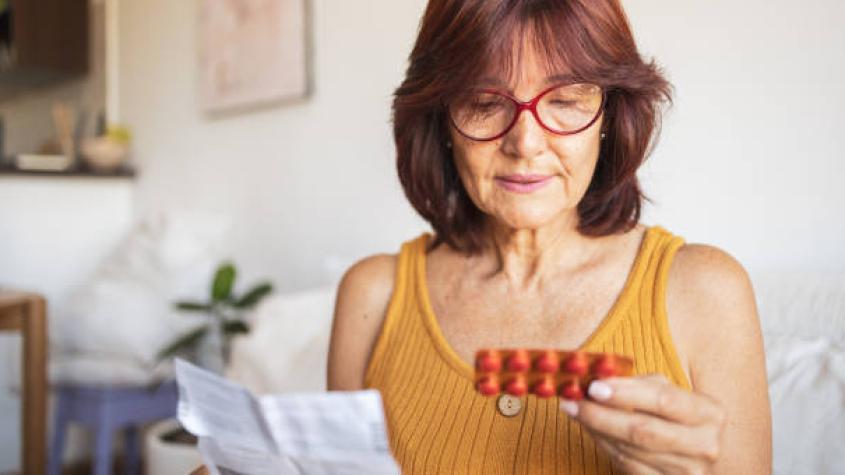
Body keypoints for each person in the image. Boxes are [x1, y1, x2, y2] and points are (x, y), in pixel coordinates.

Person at [327, 0, 772, 473]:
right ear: (440, 121)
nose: (526, 143)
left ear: (609, 116)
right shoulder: (370, 297)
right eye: (484, 102)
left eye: (564, 101)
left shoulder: (706, 291)